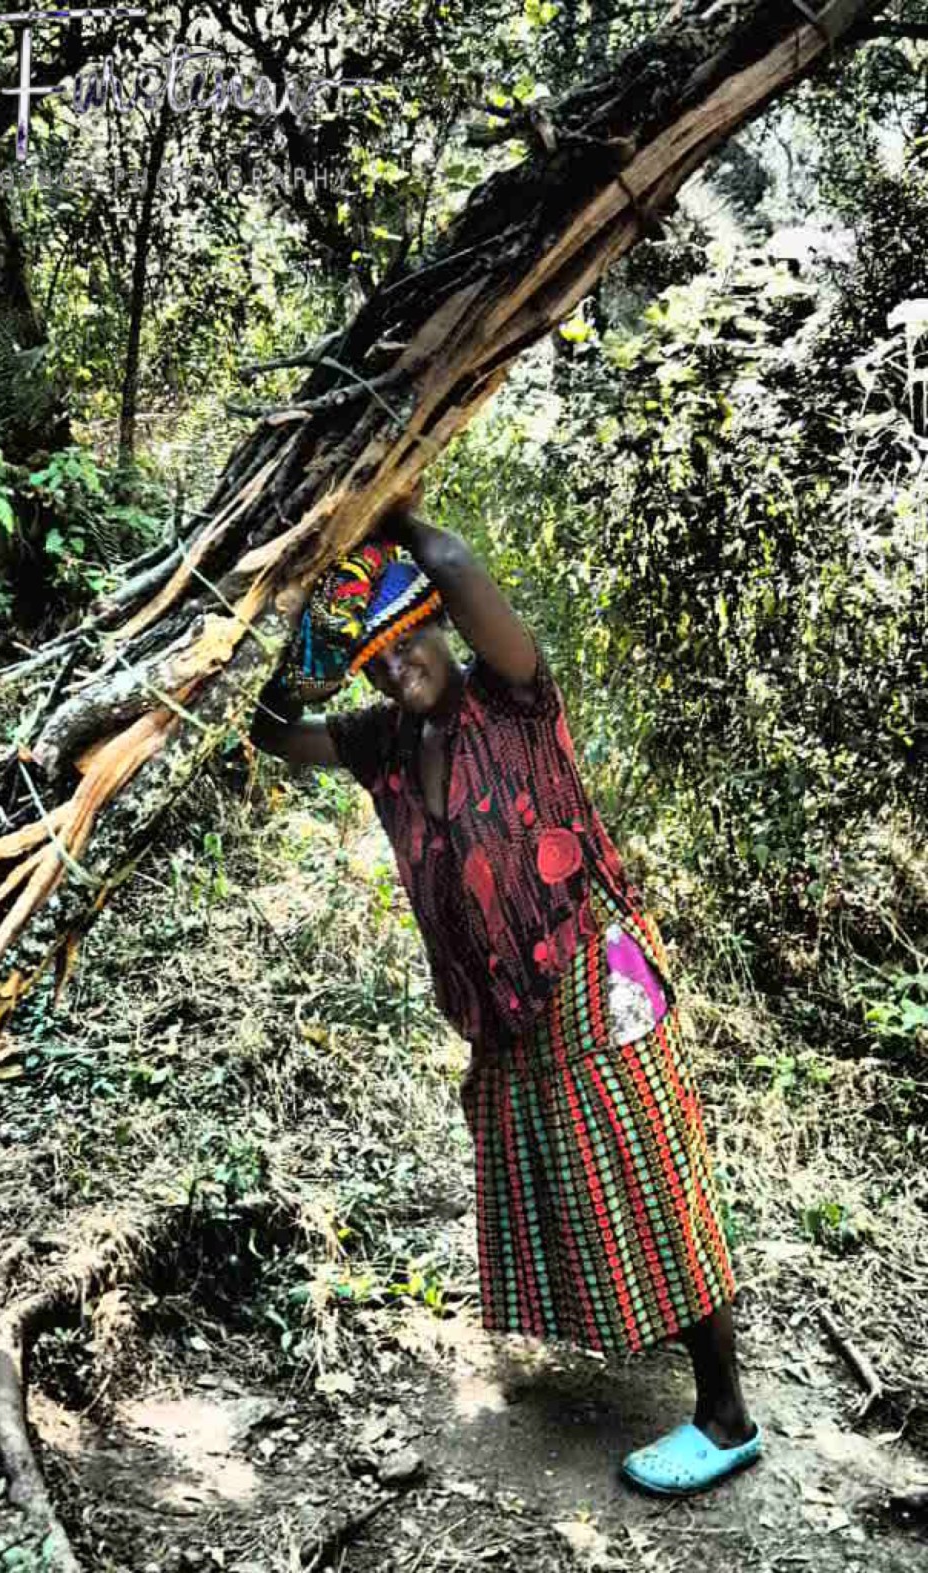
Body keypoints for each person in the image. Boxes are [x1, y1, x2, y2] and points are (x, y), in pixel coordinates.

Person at [248, 494, 761, 1496]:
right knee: (572, 1166)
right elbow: (273, 735)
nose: (401, 667)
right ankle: (652, 1337)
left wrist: (392, 518)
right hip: (502, 1004)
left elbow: (456, 558)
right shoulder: (384, 743)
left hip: (592, 966)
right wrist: (314, 640)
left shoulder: (511, 696)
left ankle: (726, 1414)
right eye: (379, 659)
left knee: (647, 1166)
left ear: (441, 622)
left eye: (411, 642)